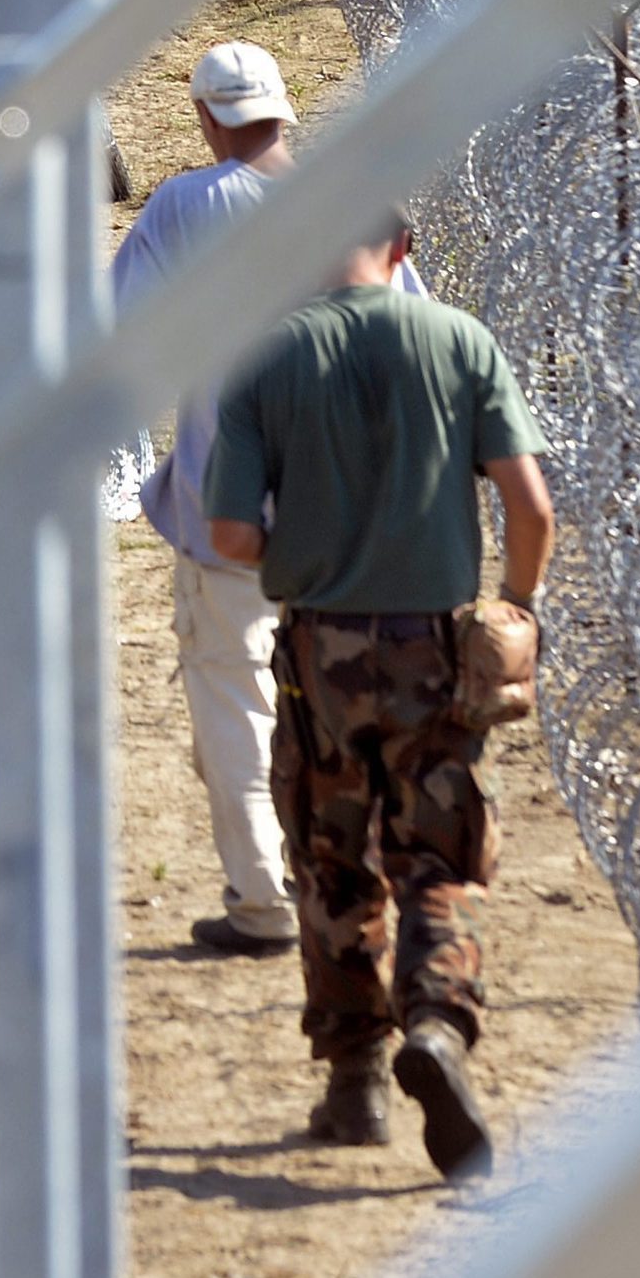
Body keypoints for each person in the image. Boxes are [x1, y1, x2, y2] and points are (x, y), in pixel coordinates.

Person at [206, 211, 553, 1184]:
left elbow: (228, 531)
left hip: (321, 647)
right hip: (434, 646)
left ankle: (354, 1081)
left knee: (331, 856)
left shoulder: (266, 357)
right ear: (399, 247)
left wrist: (303, 558)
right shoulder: (457, 339)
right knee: (436, 854)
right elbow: (530, 506)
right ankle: (437, 1021)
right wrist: (515, 604)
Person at [114, 42, 314, 962]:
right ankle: (352, 885)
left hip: (222, 504)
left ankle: (264, 901)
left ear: (205, 119)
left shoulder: (184, 206)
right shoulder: (348, 203)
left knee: (237, 705)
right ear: (285, 112)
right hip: (348, 505)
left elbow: (122, 339)